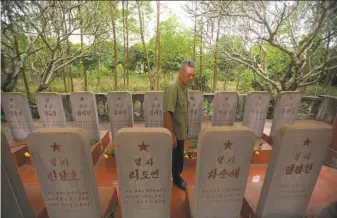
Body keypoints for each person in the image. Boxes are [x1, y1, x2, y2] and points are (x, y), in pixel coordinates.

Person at [163, 60, 196, 191]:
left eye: (193, 75)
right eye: (189, 75)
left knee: (179, 159)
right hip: (175, 133)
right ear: (180, 73)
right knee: (175, 160)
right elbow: (167, 113)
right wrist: (171, 135)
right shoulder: (173, 88)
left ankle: (177, 177)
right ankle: (176, 179)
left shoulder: (184, 88)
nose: (192, 78)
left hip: (181, 132)